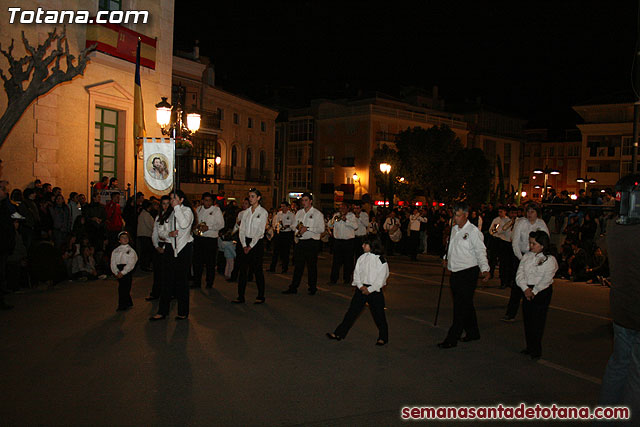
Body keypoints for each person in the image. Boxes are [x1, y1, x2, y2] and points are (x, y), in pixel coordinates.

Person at [599, 174, 640, 416]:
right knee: (636, 377)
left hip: (621, 312)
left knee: (617, 368)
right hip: (636, 314)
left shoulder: (614, 228)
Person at [438, 202, 490, 349]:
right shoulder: (454, 230)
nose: (455, 218)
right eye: (454, 215)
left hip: (468, 272)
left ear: (466, 215)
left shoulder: (473, 232)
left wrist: (485, 269)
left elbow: (481, 251)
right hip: (455, 271)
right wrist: (445, 258)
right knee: (465, 304)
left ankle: (452, 338)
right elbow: (451, 247)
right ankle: (473, 332)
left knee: (460, 307)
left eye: (458, 215)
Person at [326, 237, 390, 345]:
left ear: (372, 246)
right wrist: (360, 286)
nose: (362, 246)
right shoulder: (361, 258)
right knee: (351, 313)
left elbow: (382, 278)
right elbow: (356, 274)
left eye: (365, 244)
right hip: (361, 289)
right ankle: (339, 333)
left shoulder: (381, 260)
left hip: (374, 291)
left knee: (379, 315)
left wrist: (369, 289)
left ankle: (383, 337)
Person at [150, 190, 194, 321]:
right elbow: (161, 231)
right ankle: (162, 311)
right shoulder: (167, 213)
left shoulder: (186, 211)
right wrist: (168, 234)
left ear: (181, 200)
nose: (172, 201)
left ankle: (183, 311)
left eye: (174, 198)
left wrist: (177, 208)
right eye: (171, 198)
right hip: (169, 247)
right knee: (166, 280)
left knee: (182, 281)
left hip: (184, 248)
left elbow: (184, 224)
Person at [515, 230, 558, 360]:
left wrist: (534, 291)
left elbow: (546, 278)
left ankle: (536, 349)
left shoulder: (549, 260)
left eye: (534, 243)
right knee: (528, 319)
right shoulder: (527, 256)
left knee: (538, 321)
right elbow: (520, 273)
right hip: (527, 289)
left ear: (542, 245)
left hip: (541, 291)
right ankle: (529, 346)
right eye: (530, 243)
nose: (531, 246)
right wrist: (525, 288)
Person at [504, 203, 550, 322]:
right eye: (528, 212)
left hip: (536, 257)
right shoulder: (521, 223)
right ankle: (511, 313)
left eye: (532, 212)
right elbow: (515, 242)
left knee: (535, 283)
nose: (530, 214)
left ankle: (534, 312)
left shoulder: (541, 224)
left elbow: (545, 241)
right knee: (517, 284)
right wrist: (522, 259)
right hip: (522, 256)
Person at [282, 193, 325, 295]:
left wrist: (308, 229)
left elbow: (321, 229)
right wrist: (297, 228)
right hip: (301, 241)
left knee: (311, 266)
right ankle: (293, 287)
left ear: (310, 201)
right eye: (303, 200)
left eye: (306, 200)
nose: (304, 202)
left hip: (312, 242)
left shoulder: (317, 214)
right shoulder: (299, 213)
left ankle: (312, 287)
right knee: (298, 266)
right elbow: (293, 225)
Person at [233, 188, 268, 304]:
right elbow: (241, 229)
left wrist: (251, 245)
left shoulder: (263, 212)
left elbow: (260, 231)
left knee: (257, 270)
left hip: (256, 243)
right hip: (245, 241)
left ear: (258, 198)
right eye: (249, 196)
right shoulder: (245, 213)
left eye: (253, 196)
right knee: (243, 270)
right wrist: (243, 244)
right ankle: (240, 296)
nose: (250, 198)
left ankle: (261, 295)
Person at [193, 192, 225, 289]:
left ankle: (209, 282)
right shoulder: (198, 209)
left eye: (210, 200)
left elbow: (221, 224)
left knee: (210, 262)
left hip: (210, 239)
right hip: (199, 238)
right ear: (202, 201)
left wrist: (209, 227)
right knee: (197, 262)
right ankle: (197, 282)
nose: (208, 202)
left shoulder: (216, 210)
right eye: (206, 200)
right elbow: (194, 222)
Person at [147, 195, 172, 301]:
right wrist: (156, 246)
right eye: (163, 203)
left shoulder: (172, 217)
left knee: (168, 273)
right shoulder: (158, 217)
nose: (165, 206)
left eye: (167, 203)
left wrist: (166, 247)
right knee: (157, 272)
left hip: (169, 245)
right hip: (159, 245)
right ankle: (156, 293)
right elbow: (155, 233)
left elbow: (172, 234)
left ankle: (170, 293)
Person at [110, 231, 138, 311]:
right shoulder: (115, 251)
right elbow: (113, 262)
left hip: (127, 271)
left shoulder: (131, 251)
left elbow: (131, 263)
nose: (125, 239)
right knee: (122, 288)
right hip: (118, 269)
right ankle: (126, 302)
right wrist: (115, 271)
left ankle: (123, 304)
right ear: (119, 240)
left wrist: (123, 272)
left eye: (126, 237)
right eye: (122, 238)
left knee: (125, 288)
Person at [490, 206, 516, 289]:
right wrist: (499, 231)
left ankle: (509, 281)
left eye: (501, 211)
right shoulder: (497, 220)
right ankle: (503, 281)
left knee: (509, 263)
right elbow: (493, 230)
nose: (500, 213)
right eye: (499, 212)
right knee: (502, 262)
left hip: (509, 243)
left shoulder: (511, 221)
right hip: (500, 241)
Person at [268, 201, 295, 273]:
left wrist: (288, 226)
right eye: (281, 206)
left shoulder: (291, 215)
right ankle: (272, 267)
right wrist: (278, 226)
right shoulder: (278, 214)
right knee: (275, 251)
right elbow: (275, 223)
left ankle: (284, 268)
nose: (282, 208)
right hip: (279, 233)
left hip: (287, 234)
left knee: (285, 252)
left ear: (287, 207)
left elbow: (294, 225)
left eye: (283, 206)